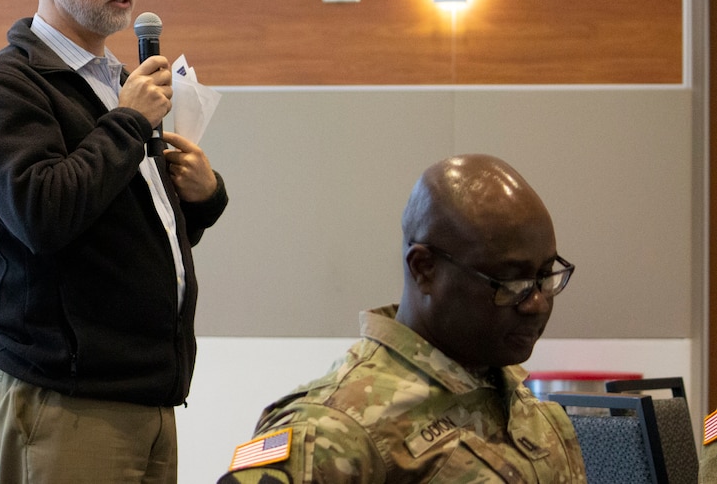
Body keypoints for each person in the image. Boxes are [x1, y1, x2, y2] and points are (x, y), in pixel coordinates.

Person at [0, 0, 227, 484]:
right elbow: (42, 216)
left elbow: (123, 227)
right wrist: (127, 124)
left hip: (149, 394)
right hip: (66, 402)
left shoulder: (118, 83)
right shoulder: (8, 87)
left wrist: (202, 198)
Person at [218, 154, 586, 483]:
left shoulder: (526, 408)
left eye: (546, 276)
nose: (536, 302)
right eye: (511, 281)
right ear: (425, 268)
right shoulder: (332, 429)